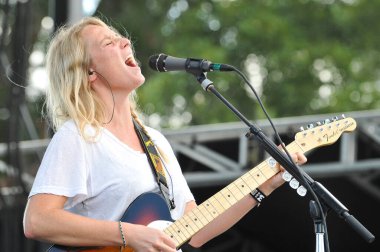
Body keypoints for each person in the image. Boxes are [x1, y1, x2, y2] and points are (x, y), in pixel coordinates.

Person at [23, 16, 307, 252]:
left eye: (120, 37)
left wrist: (263, 185)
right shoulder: (79, 137)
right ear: (88, 73)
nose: (125, 41)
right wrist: (128, 234)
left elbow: (194, 229)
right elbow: (37, 220)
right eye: (109, 42)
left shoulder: (155, 142)